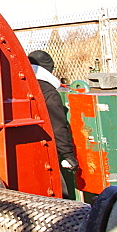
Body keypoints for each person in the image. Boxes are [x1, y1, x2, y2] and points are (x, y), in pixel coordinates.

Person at [29, 50, 79, 199]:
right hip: (45, 152)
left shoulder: (17, 83)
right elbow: (58, 126)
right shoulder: (48, 91)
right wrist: (68, 155)